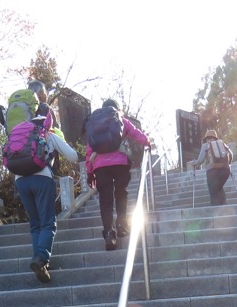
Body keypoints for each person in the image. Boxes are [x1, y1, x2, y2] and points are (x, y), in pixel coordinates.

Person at [13, 106, 79, 283]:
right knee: (48, 222)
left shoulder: (23, 132)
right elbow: (72, 156)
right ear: (49, 120)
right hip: (42, 179)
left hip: (20, 180)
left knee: (35, 224)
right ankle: (41, 258)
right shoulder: (48, 134)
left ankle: (40, 262)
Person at [85, 99, 151, 251]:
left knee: (105, 200)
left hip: (100, 166)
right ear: (117, 108)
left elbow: (89, 150)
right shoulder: (119, 118)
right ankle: (121, 225)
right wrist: (147, 142)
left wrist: (90, 171)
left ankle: (109, 232)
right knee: (121, 193)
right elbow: (135, 133)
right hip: (120, 163)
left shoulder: (95, 123)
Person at [189, 130, 233, 206]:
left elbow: (200, 160)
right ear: (215, 138)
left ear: (206, 139)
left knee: (213, 192)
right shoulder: (222, 143)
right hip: (225, 170)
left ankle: (215, 210)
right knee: (219, 188)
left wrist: (193, 163)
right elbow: (231, 154)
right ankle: (224, 206)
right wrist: (227, 164)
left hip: (212, 171)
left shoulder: (206, 145)